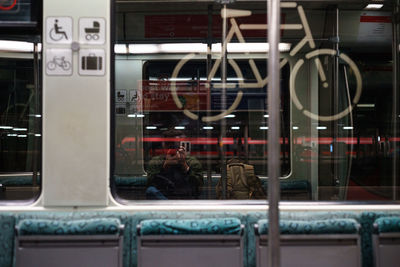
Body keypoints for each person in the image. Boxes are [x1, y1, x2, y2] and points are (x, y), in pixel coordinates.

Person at [146, 129, 203, 200]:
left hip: (186, 197)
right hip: (163, 196)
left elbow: (199, 188)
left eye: (175, 144)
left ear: (182, 145)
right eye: (168, 144)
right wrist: (164, 167)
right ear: (163, 145)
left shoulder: (192, 162)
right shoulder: (156, 162)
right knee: (151, 190)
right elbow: (149, 185)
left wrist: (184, 165)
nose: (171, 147)